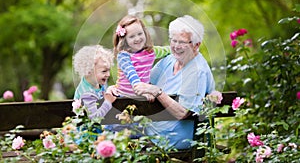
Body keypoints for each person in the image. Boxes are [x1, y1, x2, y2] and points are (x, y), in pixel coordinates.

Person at [134, 15, 215, 149]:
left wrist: (158, 92)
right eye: (174, 40)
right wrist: (116, 87)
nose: (176, 46)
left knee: (115, 136)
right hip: (151, 132)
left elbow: (182, 113)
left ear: (196, 45)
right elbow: (144, 82)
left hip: (172, 139)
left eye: (182, 42)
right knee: (113, 130)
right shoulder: (170, 60)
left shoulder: (197, 71)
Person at [111, 15, 170, 101]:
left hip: (142, 95)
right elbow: (132, 74)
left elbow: (166, 50)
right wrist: (143, 91)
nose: (138, 38)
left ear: (145, 33)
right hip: (123, 97)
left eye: (140, 34)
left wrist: (178, 48)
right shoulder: (123, 56)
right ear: (125, 40)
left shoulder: (150, 52)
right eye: (132, 36)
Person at [73, 45, 116, 119]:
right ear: (89, 71)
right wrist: (108, 102)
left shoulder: (97, 83)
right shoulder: (86, 93)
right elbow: (94, 118)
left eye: (109, 70)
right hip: (90, 129)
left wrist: (110, 90)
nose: (108, 75)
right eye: (104, 71)